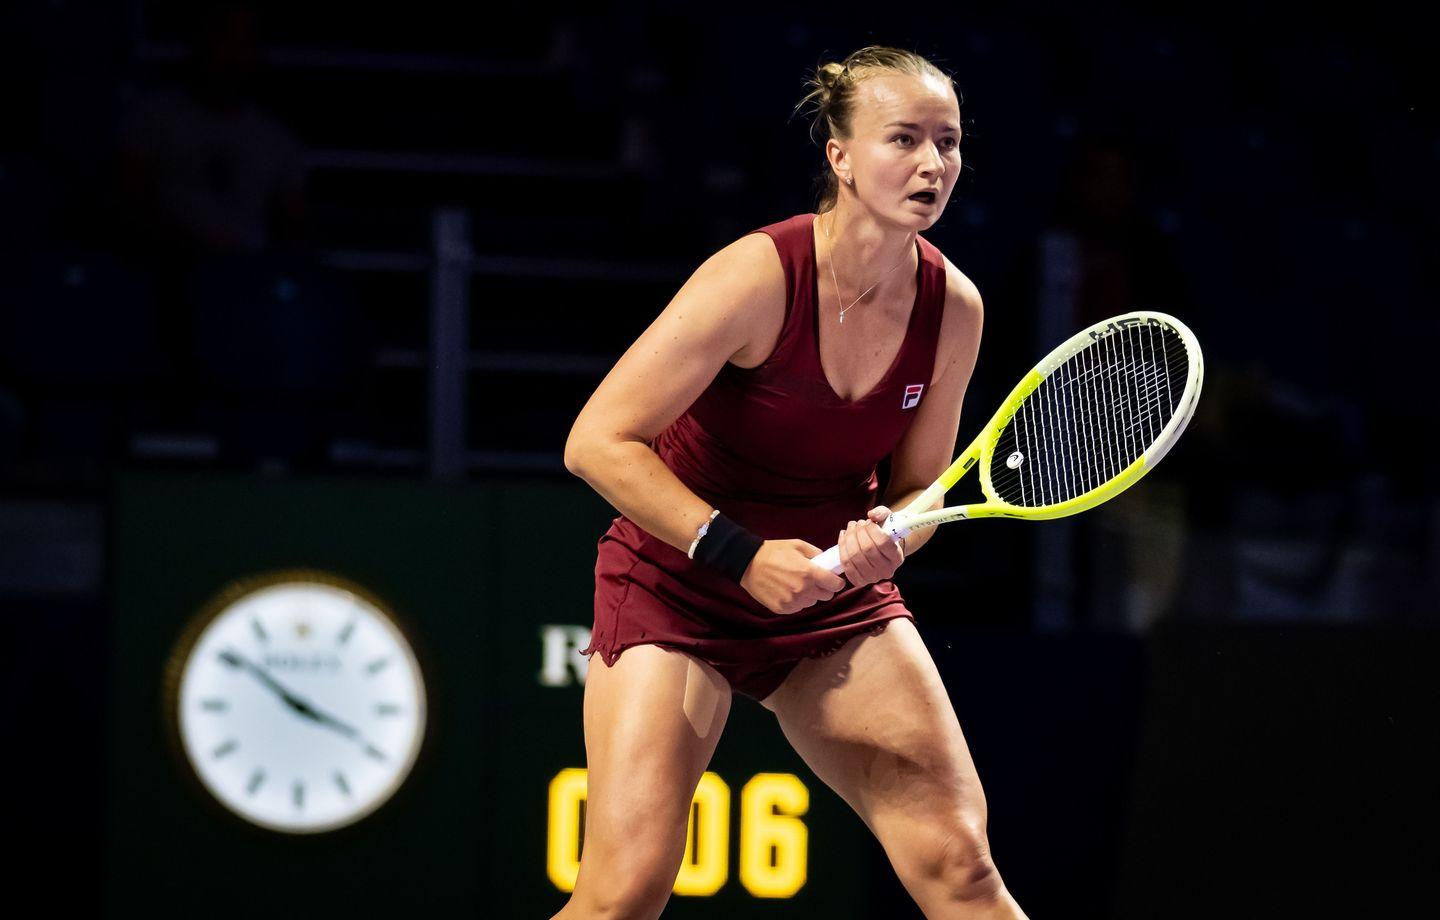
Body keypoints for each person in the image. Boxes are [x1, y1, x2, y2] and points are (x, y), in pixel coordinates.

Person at [560, 46, 1029, 919]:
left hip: (833, 603)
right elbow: (597, 441)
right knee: (621, 895)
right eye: (904, 139)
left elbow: (924, 486)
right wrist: (737, 555)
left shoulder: (953, 307)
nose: (933, 165)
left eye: (949, 143)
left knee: (962, 867)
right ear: (840, 156)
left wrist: (886, 537)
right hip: (681, 583)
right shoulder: (756, 276)